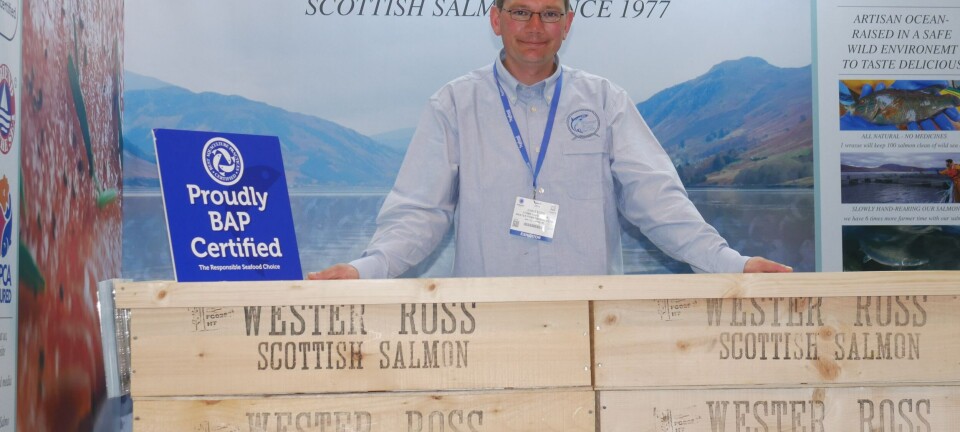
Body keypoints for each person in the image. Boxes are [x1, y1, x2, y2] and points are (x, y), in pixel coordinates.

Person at [309, 0, 792, 280]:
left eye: (549, 13)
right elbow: (420, 212)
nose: (535, 28)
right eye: (521, 12)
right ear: (496, 19)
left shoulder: (606, 102)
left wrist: (732, 264)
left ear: (568, 23)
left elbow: (659, 202)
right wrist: (365, 269)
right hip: (489, 321)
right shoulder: (453, 105)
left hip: (591, 319)